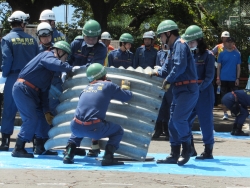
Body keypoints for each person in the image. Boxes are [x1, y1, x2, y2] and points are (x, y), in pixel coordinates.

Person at [11, 41, 78, 158]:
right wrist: (71, 69)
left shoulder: (49, 71)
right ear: (60, 51)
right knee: (31, 118)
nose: (65, 60)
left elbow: (44, 92)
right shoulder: (48, 55)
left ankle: (40, 147)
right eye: (66, 57)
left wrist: (46, 111)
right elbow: (57, 64)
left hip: (32, 92)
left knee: (42, 117)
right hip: (23, 89)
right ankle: (18, 147)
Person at [63, 63, 133, 166]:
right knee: (118, 130)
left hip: (75, 126)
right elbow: (126, 97)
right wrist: (126, 87)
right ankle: (108, 157)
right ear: (104, 75)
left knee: (79, 126)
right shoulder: (108, 85)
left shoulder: (86, 88)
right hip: (94, 128)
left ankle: (69, 155)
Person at [155, 20, 199, 166]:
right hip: (178, 89)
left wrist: (167, 80)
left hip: (188, 89)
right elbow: (166, 69)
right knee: (172, 123)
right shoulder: (172, 49)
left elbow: (180, 66)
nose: (160, 39)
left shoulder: (180, 44)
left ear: (168, 33)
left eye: (161, 35)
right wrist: (155, 72)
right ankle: (174, 154)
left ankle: (187, 149)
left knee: (179, 119)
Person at [0, 11, 39, 151]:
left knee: (9, 110)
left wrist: (4, 75)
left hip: (13, 77)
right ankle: (36, 142)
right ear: (23, 23)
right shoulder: (32, 40)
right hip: (30, 79)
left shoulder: (6, 39)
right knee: (31, 111)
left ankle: (5, 142)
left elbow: (7, 60)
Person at [182, 25, 215, 159]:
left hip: (204, 93)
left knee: (205, 121)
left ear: (199, 40)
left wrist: (198, 89)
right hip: (191, 93)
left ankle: (208, 151)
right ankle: (190, 148)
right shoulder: (189, 55)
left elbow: (209, 77)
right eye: (188, 42)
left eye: (192, 42)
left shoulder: (208, 55)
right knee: (185, 120)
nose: (190, 44)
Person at [212, 31, 240, 120]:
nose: (229, 43)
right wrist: (218, 77)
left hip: (233, 78)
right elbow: (212, 56)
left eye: (231, 42)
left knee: (235, 96)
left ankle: (234, 112)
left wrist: (237, 78)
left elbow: (238, 66)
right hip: (223, 77)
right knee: (223, 96)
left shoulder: (236, 52)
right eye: (228, 41)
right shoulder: (220, 50)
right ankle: (225, 113)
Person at [151, 42, 171, 140]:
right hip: (160, 83)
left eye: (166, 44)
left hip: (170, 84)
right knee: (160, 107)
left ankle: (167, 130)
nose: (165, 46)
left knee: (169, 107)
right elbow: (158, 67)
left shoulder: (172, 54)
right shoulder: (159, 54)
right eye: (163, 44)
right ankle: (158, 129)